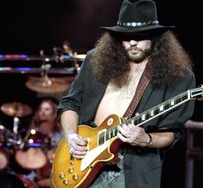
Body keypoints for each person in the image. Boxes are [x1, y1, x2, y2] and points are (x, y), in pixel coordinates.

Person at [56, 0, 195, 187]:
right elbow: (70, 104)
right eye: (125, 36)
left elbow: (172, 132)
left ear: (156, 36)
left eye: (140, 36)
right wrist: (71, 135)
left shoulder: (179, 75)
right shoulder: (94, 60)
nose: (132, 42)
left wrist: (146, 139)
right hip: (84, 160)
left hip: (133, 168)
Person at [21, 98, 64, 187]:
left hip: (56, 170)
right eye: (40, 109)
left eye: (47, 109)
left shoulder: (61, 131)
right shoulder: (34, 129)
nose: (43, 112)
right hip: (36, 170)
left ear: (54, 112)